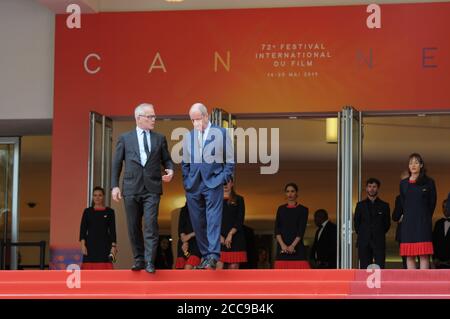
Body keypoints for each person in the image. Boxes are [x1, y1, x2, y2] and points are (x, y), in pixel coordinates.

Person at [111, 103, 174, 274]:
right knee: (133, 226)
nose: (154, 119)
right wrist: (115, 186)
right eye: (150, 116)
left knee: (151, 225)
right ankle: (138, 259)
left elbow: (167, 159)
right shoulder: (125, 138)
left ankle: (149, 261)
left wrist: (170, 170)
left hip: (152, 188)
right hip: (131, 187)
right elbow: (116, 163)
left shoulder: (159, 138)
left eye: (154, 116)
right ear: (138, 118)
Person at [182, 103, 235, 270]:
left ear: (206, 116)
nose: (195, 123)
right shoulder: (189, 136)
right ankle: (206, 256)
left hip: (213, 182)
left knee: (213, 219)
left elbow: (230, 161)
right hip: (193, 185)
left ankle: (213, 255)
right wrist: (186, 180)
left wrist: (222, 178)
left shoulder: (221, 133)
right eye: (192, 120)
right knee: (197, 222)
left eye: (198, 119)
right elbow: (185, 162)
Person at [399, 153, 436, 269]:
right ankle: (412, 285)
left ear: (421, 165)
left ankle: (424, 285)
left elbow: (432, 202)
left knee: (424, 254)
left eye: (416, 162)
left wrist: (424, 216)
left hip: (423, 222)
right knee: (409, 255)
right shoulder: (403, 183)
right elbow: (403, 203)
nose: (413, 165)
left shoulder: (429, 182)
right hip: (408, 223)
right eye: (410, 163)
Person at [354, 178, 391, 269]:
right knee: (364, 267)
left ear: (378, 188)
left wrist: (378, 232)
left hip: (379, 240)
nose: (371, 189)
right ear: (366, 188)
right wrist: (365, 233)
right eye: (369, 186)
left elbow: (387, 224)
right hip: (364, 241)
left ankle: (379, 283)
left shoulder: (384, 205)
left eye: (374, 186)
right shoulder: (360, 205)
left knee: (380, 267)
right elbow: (356, 224)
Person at [273, 183, 310, 269]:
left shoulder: (303, 210)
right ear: (285, 193)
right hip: (282, 247)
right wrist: (282, 245)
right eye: (287, 191)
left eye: (292, 191)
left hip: (297, 246)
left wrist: (292, 246)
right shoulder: (280, 209)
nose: (290, 194)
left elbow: (301, 230)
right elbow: (277, 228)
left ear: (296, 193)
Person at [79, 186, 117, 270]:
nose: (97, 197)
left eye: (100, 195)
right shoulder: (87, 212)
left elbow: (112, 231)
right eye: (95, 195)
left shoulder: (110, 212)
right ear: (92, 197)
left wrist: (113, 247)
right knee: (88, 275)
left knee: (105, 275)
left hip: (105, 246)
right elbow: (83, 230)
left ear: (103, 196)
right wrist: (83, 245)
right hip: (90, 246)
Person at [216, 178, 247, 269]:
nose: (225, 184)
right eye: (223, 182)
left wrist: (230, 234)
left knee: (233, 268)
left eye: (227, 182)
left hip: (236, 238)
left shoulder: (239, 199)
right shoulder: (215, 200)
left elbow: (240, 220)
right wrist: (218, 236)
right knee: (218, 267)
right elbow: (211, 220)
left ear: (232, 183)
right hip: (219, 239)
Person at [392, 170, 410, 269]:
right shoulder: (399, 198)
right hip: (403, 233)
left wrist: (405, 216)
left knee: (421, 259)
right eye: (402, 181)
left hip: (417, 231)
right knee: (405, 262)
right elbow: (395, 217)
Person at [175, 204, 201, 269]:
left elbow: (205, 228)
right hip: (184, 241)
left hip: (197, 240)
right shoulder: (184, 210)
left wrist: (190, 236)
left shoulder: (202, 209)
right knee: (182, 269)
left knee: (189, 266)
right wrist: (184, 239)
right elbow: (180, 227)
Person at [432, 198, 450, 269]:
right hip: (439, 263)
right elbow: (434, 241)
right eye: (443, 207)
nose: (445, 209)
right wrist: (434, 258)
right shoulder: (438, 223)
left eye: (447, 206)